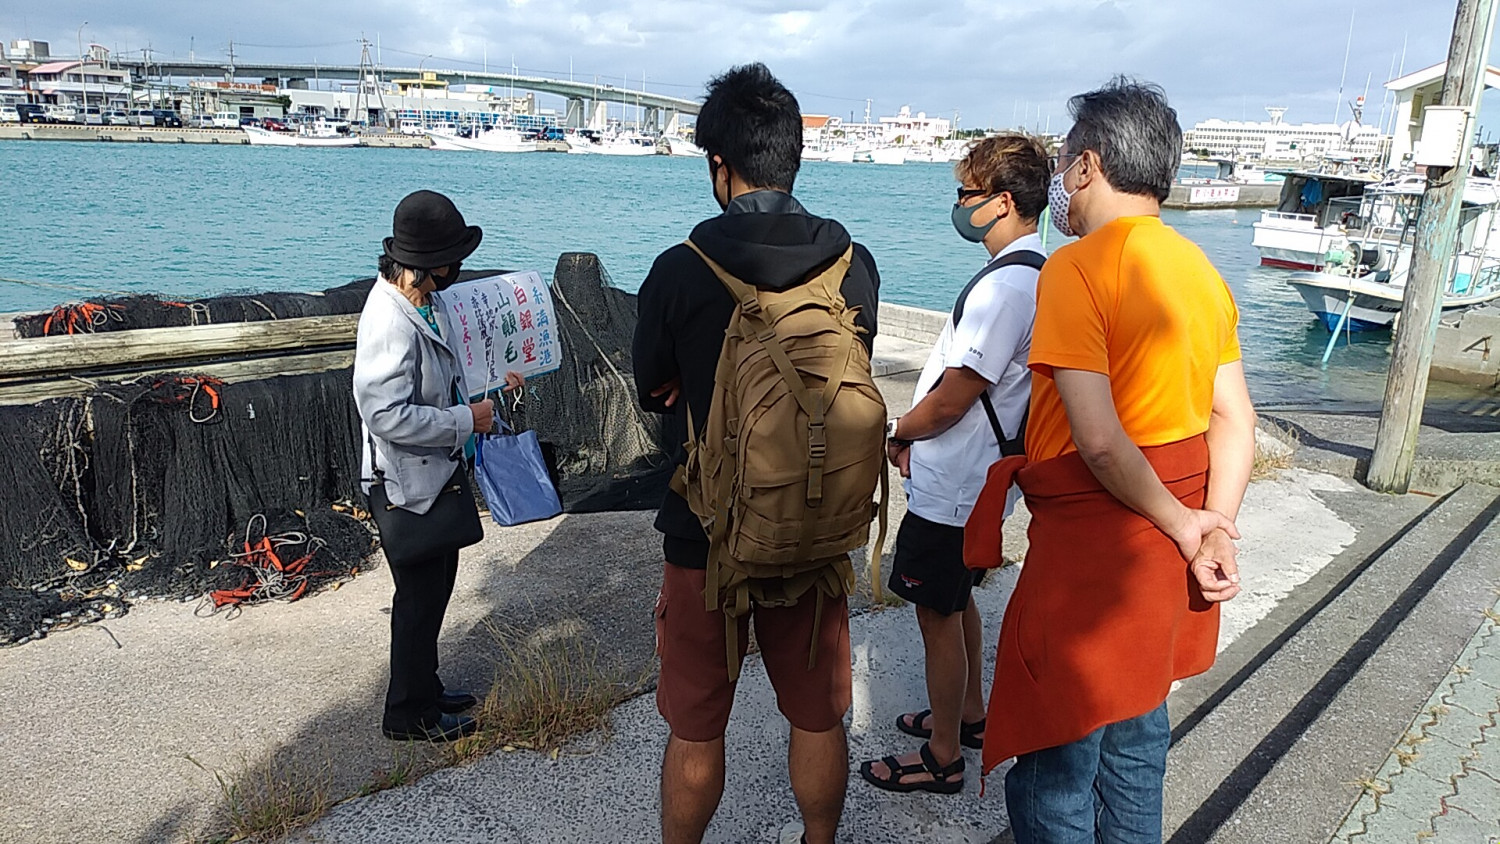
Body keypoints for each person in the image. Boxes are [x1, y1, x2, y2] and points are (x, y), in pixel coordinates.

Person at [973, 78, 1257, 843]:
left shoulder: (1077, 268)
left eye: (1066, 163)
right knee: (1135, 739)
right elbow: (1236, 419)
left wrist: (1187, 526)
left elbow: (1097, 440)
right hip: (1163, 556)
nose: (1062, 181)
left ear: (1089, 165)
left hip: (1092, 557)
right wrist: (1212, 525)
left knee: (1058, 756)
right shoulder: (1201, 271)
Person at [632, 63, 881, 844]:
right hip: (813, 526)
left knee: (696, 728)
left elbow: (654, 390)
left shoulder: (680, 269)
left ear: (721, 165)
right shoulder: (853, 264)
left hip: (704, 536)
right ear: (792, 159)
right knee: (817, 717)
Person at [859, 134, 1051, 794]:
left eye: (967, 193)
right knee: (956, 598)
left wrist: (896, 429)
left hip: (956, 484)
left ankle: (942, 756)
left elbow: (955, 397)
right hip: (976, 478)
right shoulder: (1034, 272)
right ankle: (968, 715)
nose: (960, 205)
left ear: (1003, 202)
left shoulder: (1007, 288)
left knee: (934, 615)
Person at [353, 189, 523, 743]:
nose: (457, 270)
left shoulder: (425, 301)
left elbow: (448, 374)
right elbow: (384, 414)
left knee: (435, 590)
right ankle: (408, 714)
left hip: (434, 472)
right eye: (450, 260)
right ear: (427, 264)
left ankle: (426, 687)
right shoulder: (389, 320)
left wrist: (492, 389)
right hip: (404, 482)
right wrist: (464, 420)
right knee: (418, 600)